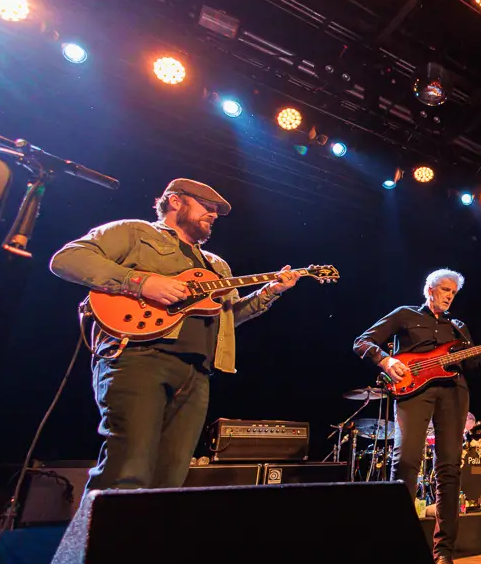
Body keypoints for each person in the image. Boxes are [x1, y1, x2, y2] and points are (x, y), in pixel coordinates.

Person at [48, 178, 299, 492]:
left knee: (170, 479)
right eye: (206, 206)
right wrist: (141, 283)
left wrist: (270, 292)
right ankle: (95, 541)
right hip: (139, 356)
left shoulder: (217, 266)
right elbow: (67, 259)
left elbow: (226, 320)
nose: (213, 214)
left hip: (196, 374)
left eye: (216, 211)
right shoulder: (136, 232)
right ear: (176, 202)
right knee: (127, 468)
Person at [353, 269, 481, 564]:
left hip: (454, 393)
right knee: (405, 460)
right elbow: (362, 342)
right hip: (412, 392)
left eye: (453, 292)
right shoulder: (404, 315)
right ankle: (399, 545)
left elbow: (473, 364)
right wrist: (386, 360)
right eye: (444, 289)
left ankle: (443, 554)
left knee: (449, 469)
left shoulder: (458, 329)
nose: (449, 295)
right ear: (429, 289)